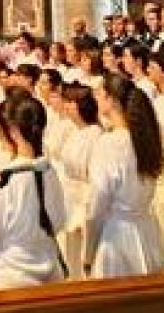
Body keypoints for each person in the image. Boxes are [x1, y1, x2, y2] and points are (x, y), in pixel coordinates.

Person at [0, 91, 67, 291]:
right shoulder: (50, 171)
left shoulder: (6, 180)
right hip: (49, 278)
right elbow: (59, 221)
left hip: (9, 279)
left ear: (12, 131)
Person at [85, 74, 164, 278]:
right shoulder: (146, 137)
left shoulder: (110, 143)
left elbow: (98, 203)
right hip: (147, 232)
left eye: (100, 93)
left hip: (116, 238)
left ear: (111, 100)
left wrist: (88, 251)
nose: (96, 97)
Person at [53, 83, 103, 278]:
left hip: (83, 198)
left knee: (81, 254)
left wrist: (84, 210)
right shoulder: (75, 131)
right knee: (69, 252)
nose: (65, 106)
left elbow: (94, 178)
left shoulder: (95, 135)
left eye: (70, 102)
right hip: (69, 195)